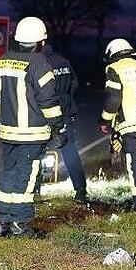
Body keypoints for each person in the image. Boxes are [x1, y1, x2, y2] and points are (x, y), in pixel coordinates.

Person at [0, 16, 66, 237]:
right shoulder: (40, 64)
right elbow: (49, 102)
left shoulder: (0, 62)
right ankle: (22, 226)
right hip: (31, 135)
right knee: (26, 179)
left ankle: (3, 222)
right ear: (41, 41)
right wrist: (59, 127)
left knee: (10, 176)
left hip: (8, 133)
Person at [100, 38, 136, 209]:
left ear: (112, 55)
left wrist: (104, 120)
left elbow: (113, 99)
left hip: (132, 126)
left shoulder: (114, 69)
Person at [40, 39, 88, 202]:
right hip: (66, 112)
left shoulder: (40, 64)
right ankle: (80, 189)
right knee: (70, 152)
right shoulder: (64, 62)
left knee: (37, 151)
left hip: (45, 114)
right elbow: (74, 84)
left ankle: (34, 188)